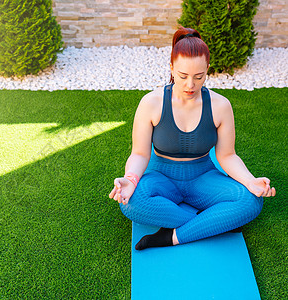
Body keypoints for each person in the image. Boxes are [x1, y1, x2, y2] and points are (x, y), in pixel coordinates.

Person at [109, 27, 276, 251]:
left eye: (199, 77)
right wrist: (130, 180)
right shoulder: (151, 102)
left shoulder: (220, 106)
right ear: (171, 68)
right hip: (161, 177)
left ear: (207, 70)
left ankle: (171, 237)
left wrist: (250, 181)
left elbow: (227, 155)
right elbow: (140, 153)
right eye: (182, 76)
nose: (190, 85)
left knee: (250, 201)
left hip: (203, 177)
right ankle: (214, 222)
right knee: (131, 202)